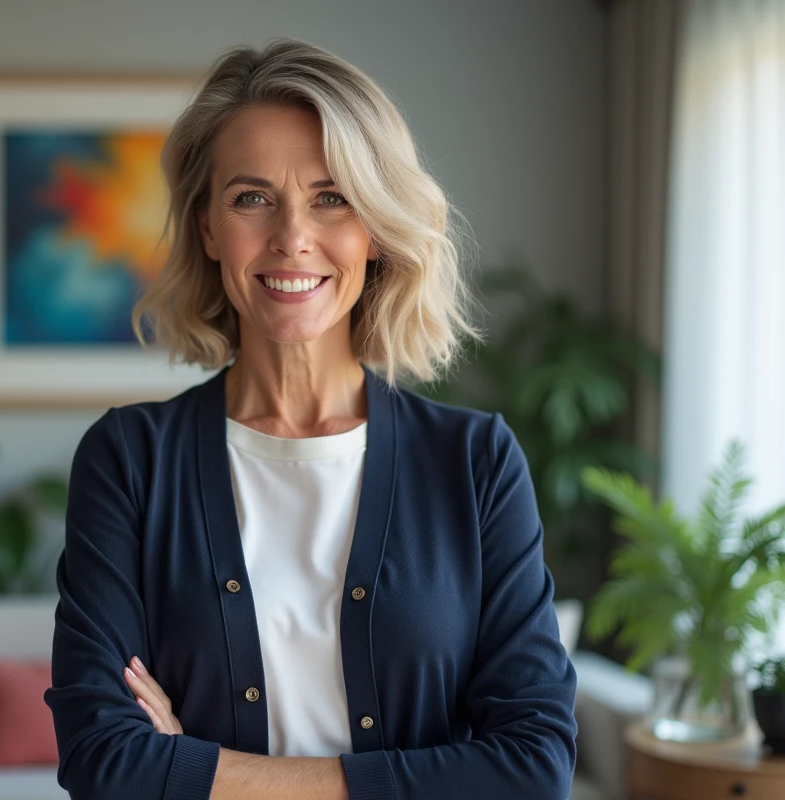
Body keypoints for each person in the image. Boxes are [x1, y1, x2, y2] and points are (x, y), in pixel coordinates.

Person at [44, 38, 577, 800]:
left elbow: (534, 768)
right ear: (207, 227)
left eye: (332, 198)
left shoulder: (475, 462)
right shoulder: (129, 460)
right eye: (251, 198)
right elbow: (102, 761)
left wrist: (196, 769)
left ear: (375, 229)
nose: (292, 236)